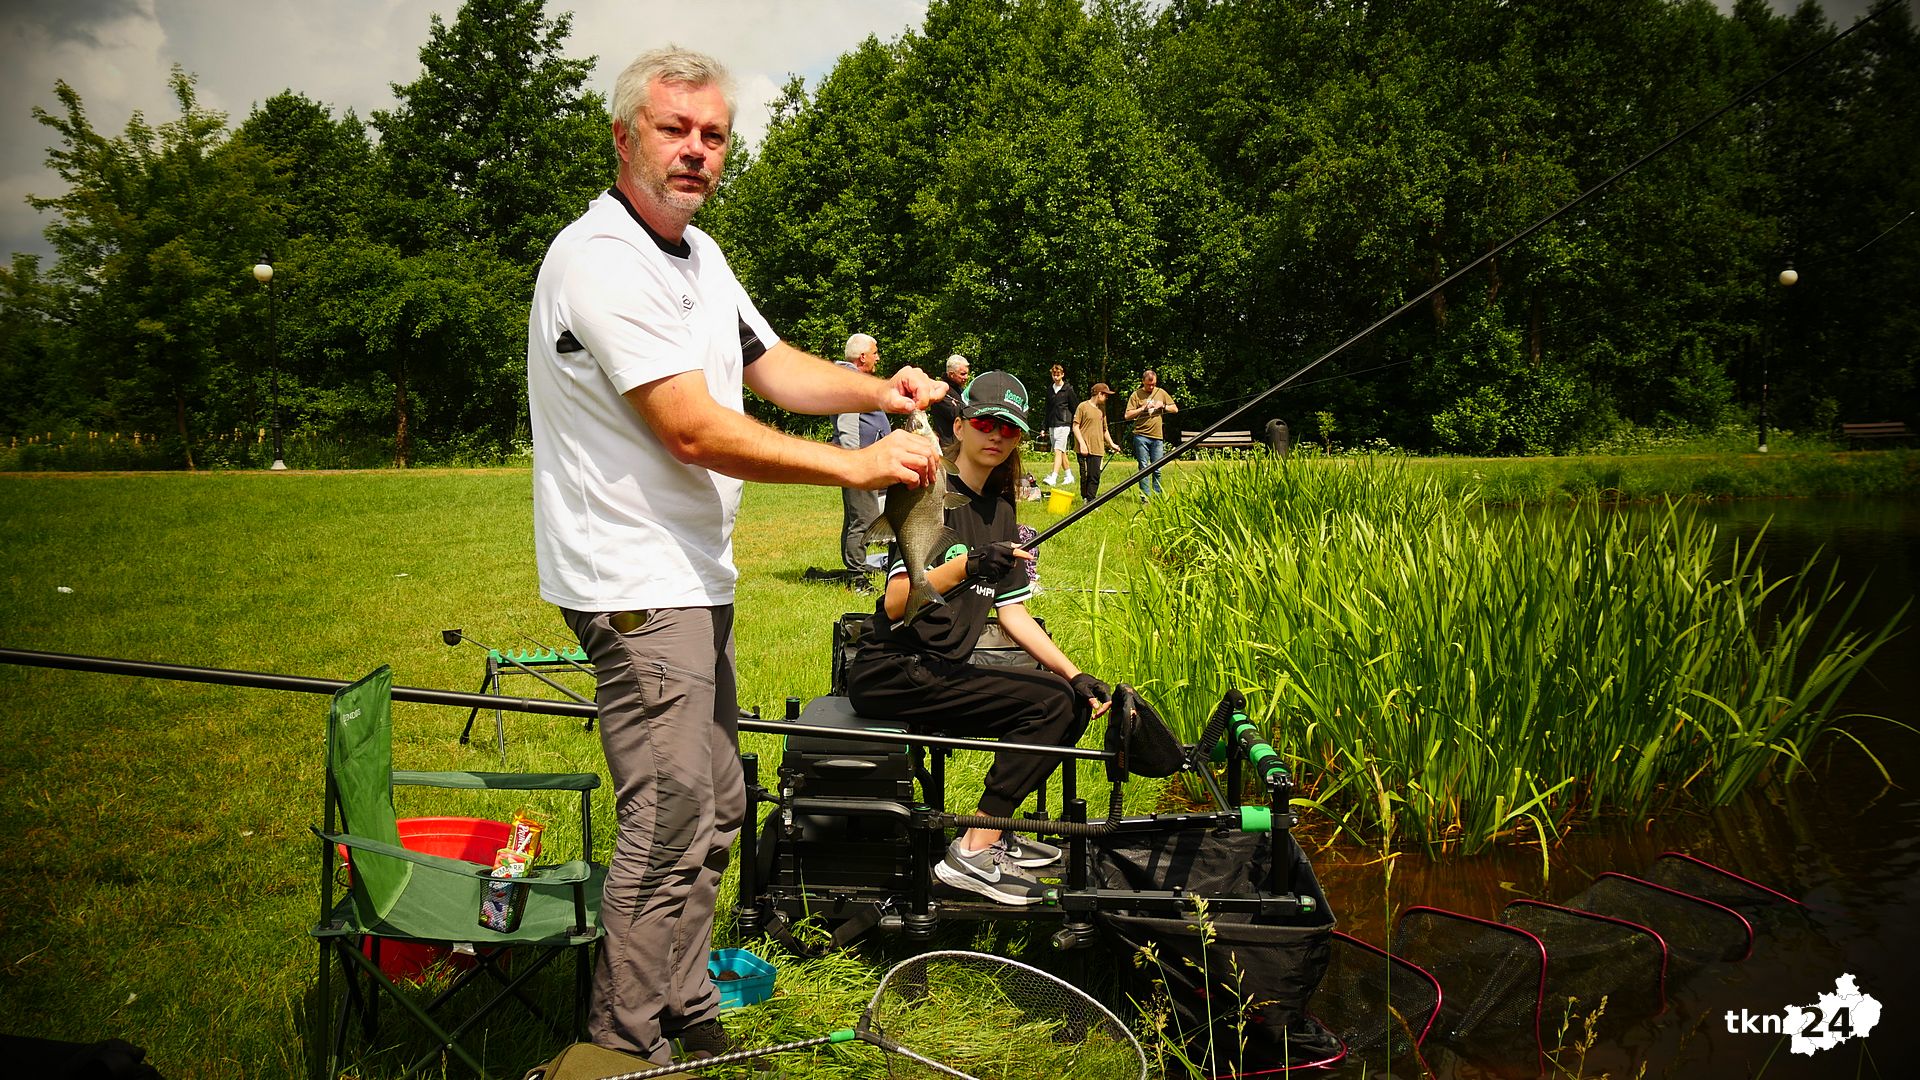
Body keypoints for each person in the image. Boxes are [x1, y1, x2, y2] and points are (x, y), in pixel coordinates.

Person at [526, 46, 946, 1066]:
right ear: (625, 137)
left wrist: (878, 395)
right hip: (635, 580)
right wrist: (856, 472)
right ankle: (619, 1049)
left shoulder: (697, 255)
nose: (696, 151)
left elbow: (773, 368)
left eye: (712, 135)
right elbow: (692, 427)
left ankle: (684, 1001)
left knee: (718, 802)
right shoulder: (601, 258)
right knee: (669, 818)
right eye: (674, 130)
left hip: (691, 577)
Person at [846, 371, 1111, 906]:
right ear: (962, 426)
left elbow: (1013, 614)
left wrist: (1074, 672)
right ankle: (975, 848)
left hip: (943, 667)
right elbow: (897, 603)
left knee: (1066, 699)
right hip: (893, 668)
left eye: (1010, 430)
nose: (997, 436)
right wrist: (966, 565)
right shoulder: (925, 493)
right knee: (1051, 708)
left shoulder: (1004, 511)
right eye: (986, 423)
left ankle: (994, 830)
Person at [835, 334, 890, 574]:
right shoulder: (850, 382)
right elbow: (847, 426)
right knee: (864, 519)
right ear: (862, 356)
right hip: (860, 464)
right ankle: (857, 575)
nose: (878, 357)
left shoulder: (853, 380)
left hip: (865, 463)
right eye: (875, 352)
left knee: (856, 518)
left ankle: (857, 567)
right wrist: (855, 463)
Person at [1123, 369, 1178, 500]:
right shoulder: (1136, 395)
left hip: (1157, 437)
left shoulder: (1161, 392)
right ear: (1143, 381)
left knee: (1157, 468)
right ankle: (1145, 498)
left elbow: (1175, 409)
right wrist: (1143, 408)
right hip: (1141, 436)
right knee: (1144, 467)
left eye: (1153, 384)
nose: (1151, 387)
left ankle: (1158, 497)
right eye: (1148, 384)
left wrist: (1163, 406)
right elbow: (1127, 415)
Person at [1072, 382, 1122, 501]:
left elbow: (1105, 430)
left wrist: (1112, 444)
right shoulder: (1082, 406)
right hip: (1083, 449)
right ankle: (1085, 498)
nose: (1107, 398)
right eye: (1106, 395)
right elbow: (1075, 426)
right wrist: (1082, 444)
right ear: (1099, 394)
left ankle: (1091, 500)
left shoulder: (1102, 410)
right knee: (1085, 476)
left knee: (1095, 476)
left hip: (1098, 449)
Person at [1041, 363, 1076, 488]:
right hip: (1052, 424)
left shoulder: (1068, 389)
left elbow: (1074, 408)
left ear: (1062, 375)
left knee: (1057, 450)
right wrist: (1043, 427)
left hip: (1064, 424)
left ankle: (1053, 478)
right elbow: (1047, 409)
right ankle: (1069, 476)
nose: (1056, 377)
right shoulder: (1050, 390)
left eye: (1058, 375)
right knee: (1061, 452)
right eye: (1054, 375)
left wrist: (1074, 425)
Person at [926, 353, 971, 450]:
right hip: (947, 446)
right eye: (962, 374)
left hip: (961, 444)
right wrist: (967, 406)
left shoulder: (960, 390)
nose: (966, 377)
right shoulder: (941, 391)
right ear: (951, 374)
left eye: (967, 373)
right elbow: (955, 414)